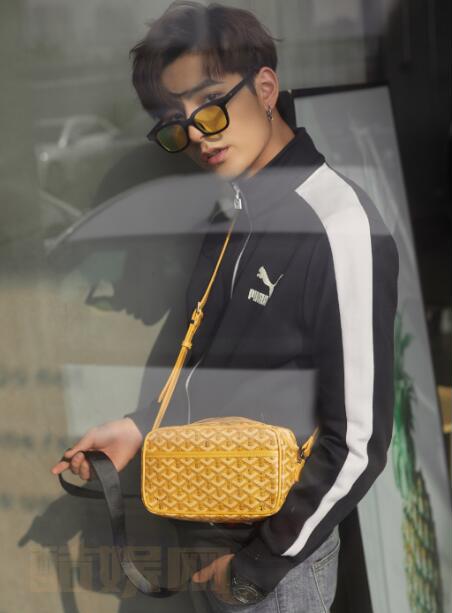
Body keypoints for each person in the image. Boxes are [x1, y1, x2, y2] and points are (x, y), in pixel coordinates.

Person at [51, 2, 399, 612]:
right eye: (175, 123)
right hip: (197, 527)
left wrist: (256, 567)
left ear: (265, 88)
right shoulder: (234, 212)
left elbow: (359, 442)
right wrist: (138, 428)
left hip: (271, 559)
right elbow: (213, 370)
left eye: (211, 104)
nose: (197, 134)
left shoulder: (339, 225)